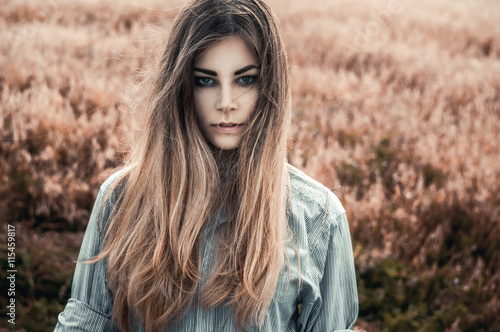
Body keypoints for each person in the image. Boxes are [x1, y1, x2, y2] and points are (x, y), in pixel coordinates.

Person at [54, 0, 358, 331]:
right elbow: (83, 322)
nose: (226, 103)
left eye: (245, 80)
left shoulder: (319, 217)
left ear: (270, 86)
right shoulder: (121, 199)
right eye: (206, 80)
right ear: (182, 86)